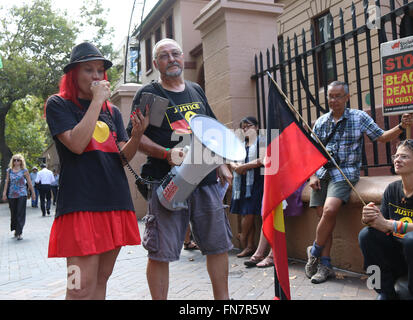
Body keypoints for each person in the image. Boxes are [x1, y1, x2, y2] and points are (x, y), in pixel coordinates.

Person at [128, 38, 233, 300]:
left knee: (217, 246)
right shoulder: (151, 95)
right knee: (160, 252)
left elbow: (211, 130)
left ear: (182, 57)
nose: (171, 59)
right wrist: (166, 153)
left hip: (205, 178)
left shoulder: (196, 90)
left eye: (175, 53)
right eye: (164, 56)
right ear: (155, 64)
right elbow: (136, 137)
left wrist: (220, 163)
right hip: (167, 182)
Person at [45, 42, 149, 300]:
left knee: (101, 280)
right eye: (88, 70)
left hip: (114, 203)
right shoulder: (58, 104)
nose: (96, 76)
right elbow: (77, 144)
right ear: (73, 74)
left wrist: (137, 135)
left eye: (100, 71)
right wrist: (97, 102)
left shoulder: (112, 111)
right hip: (79, 208)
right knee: (78, 287)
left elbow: (123, 157)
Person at [306, 80, 413, 284]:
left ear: (347, 97)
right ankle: (325, 265)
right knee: (324, 219)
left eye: (338, 96)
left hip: (345, 173)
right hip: (321, 175)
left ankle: (314, 252)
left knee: (329, 211)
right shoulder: (321, 122)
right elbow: (311, 152)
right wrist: (312, 175)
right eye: (330, 96)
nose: (333, 100)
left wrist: (401, 126)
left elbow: (381, 137)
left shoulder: (358, 117)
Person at [359, 139, 413, 300]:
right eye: (396, 156)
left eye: (404, 157)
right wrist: (370, 218)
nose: (397, 160)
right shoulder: (392, 189)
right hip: (400, 256)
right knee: (366, 234)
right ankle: (384, 291)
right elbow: (383, 225)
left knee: (412, 239)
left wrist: (389, 224)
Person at [230, 116, 265, 258]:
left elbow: (262, 160)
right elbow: (231, 159)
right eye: (243, 127)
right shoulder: (240, 144)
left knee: (250, 212)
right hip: (242, 183)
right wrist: (236, 167)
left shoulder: (262, 141)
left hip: (257, 182)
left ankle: (242, 236)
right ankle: (249, 246)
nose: (245, 129)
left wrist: (243, 167)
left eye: (248, 126)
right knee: (245, 213)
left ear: (256, 127)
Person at [2, 154, 36, 240]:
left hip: (22, 194)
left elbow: (29, 182)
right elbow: (6, 182)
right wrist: (4, 193)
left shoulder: (24, 170)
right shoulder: (9, 171)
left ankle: (19, 232)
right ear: (12, 161)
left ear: (21, 161)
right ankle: (15, 229)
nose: (16, 161)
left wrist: (33, 193)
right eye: (15, 160)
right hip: (12, 194)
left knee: (20, 213)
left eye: (18, 160)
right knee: (14, 213)